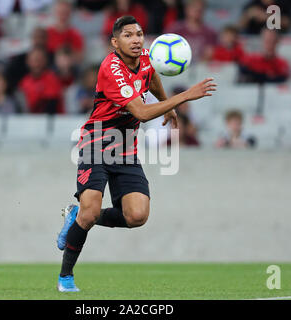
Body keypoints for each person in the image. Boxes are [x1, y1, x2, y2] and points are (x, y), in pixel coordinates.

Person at [55, 15, 216, 292]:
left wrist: (167, 104)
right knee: (91, 210)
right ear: (115, 42)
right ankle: (65, 277)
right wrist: (184, 97)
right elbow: (141, 112)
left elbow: (151, 76)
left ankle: (76, 214)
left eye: (139, 33)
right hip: (97, 143)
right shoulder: (112, 68)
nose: (136, 39)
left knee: (137, 216)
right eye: (128, 35)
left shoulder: (144, 57)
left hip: (126, 148)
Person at [19, 48, 63, 114]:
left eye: (39, 60)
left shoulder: (52, 79)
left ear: (45, 61)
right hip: (28, 119)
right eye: (34, 60)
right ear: (27, 61)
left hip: (49, 119)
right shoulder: (24, 81)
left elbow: (50, 104)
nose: (37, 64)